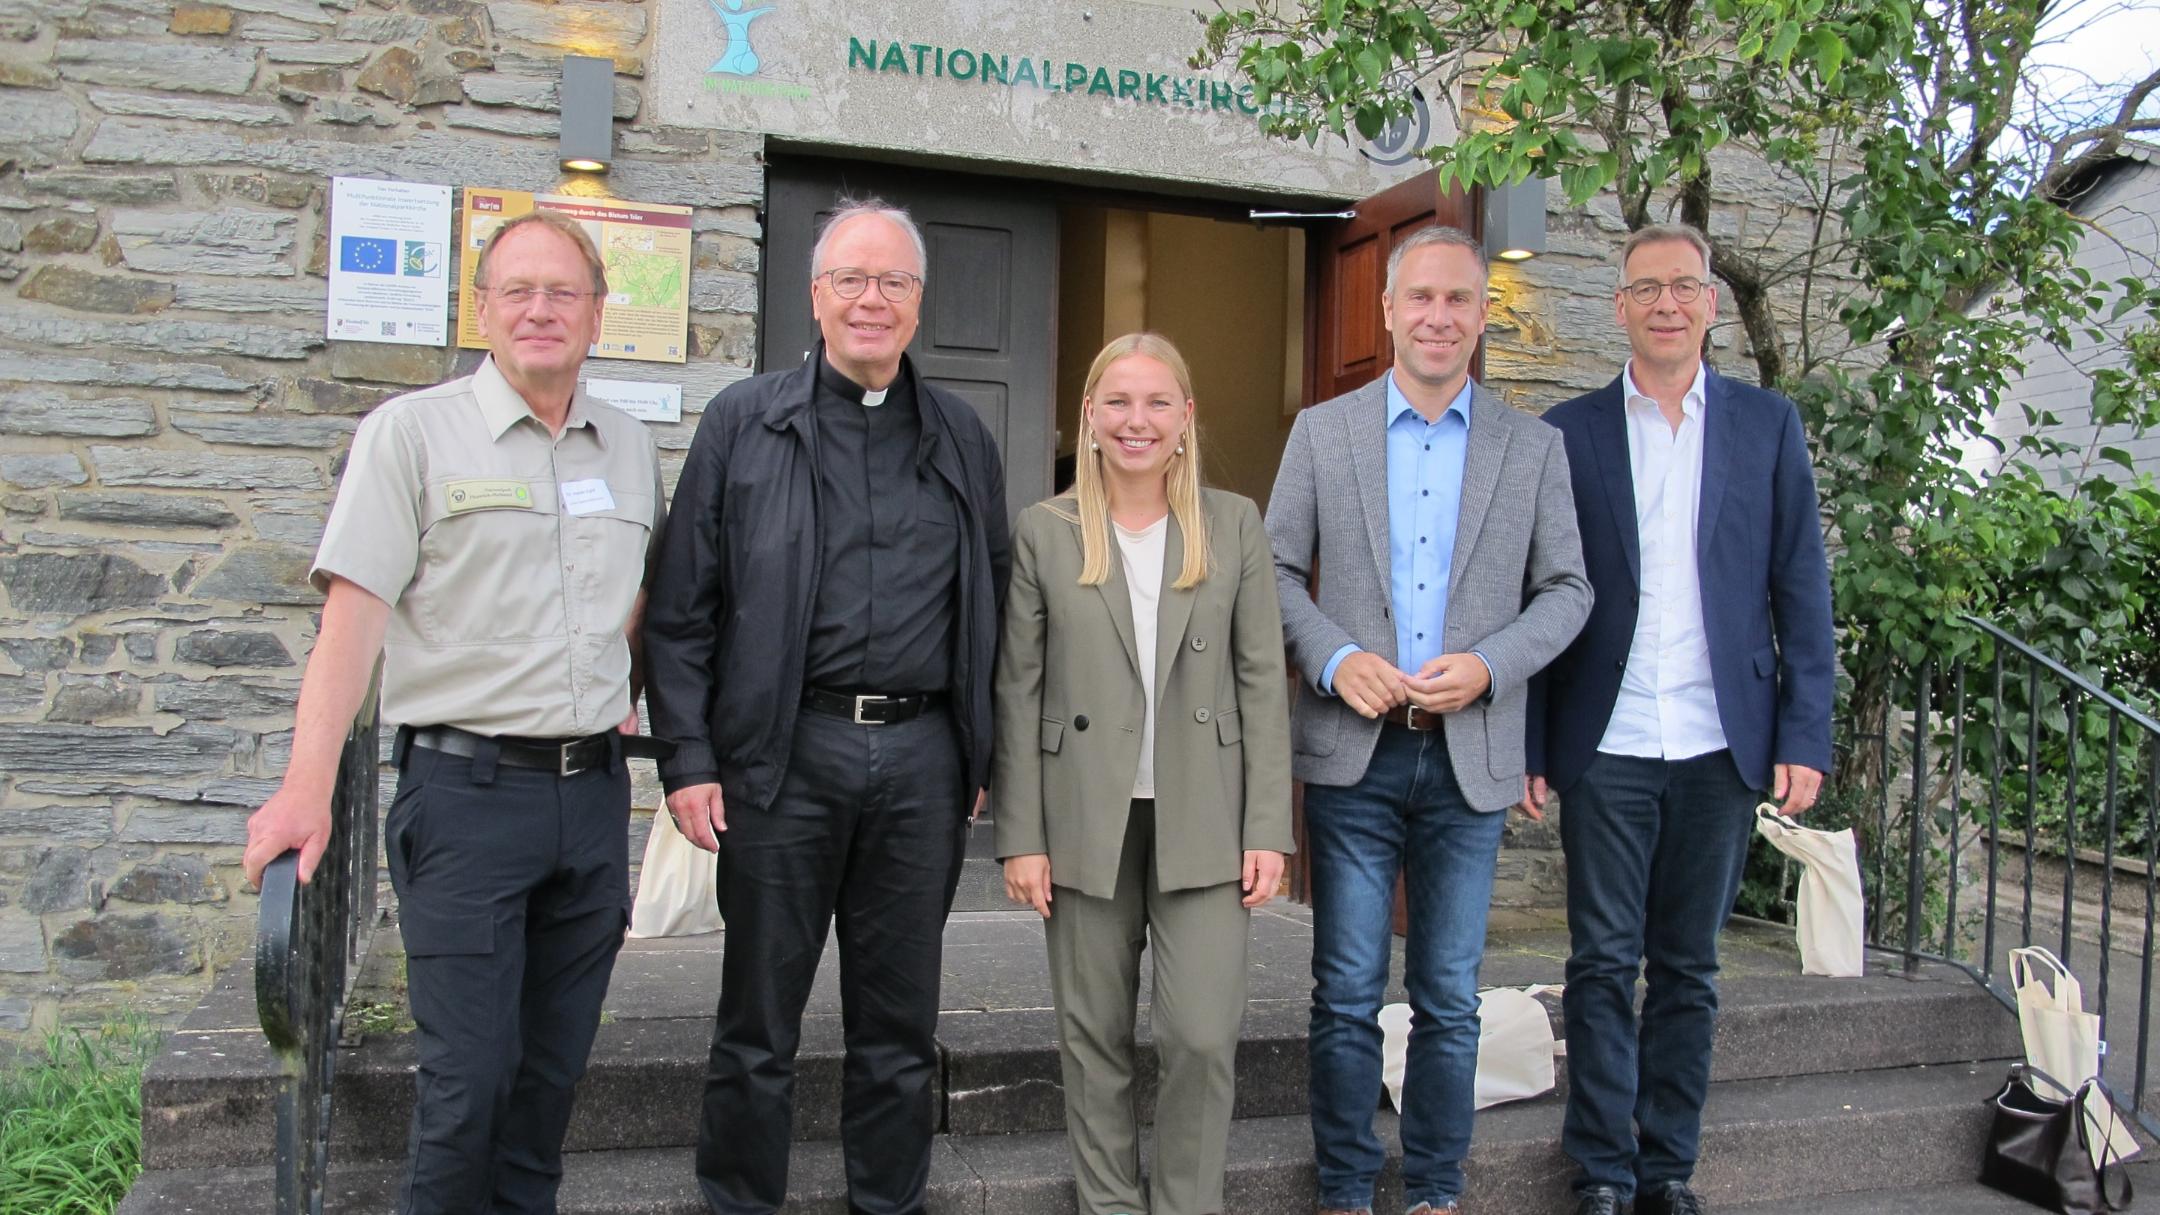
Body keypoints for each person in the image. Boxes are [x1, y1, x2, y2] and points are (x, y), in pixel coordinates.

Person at [241, 209, 666, 1215]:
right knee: (467, 1088)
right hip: (466, 799)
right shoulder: (410, 435)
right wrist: (305, 788)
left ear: (598, 313)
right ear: (481, 310)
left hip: (591, 803)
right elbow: (352, 624)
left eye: (562, 292)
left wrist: (621, 693)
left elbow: (638, 601)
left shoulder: (629, 444)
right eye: (517, 291)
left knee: (548, 1087)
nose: (539, 309)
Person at [642, 198, 1011, 1215]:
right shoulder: (742, 423)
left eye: (893, 281)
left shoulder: (962, 437)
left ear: (919, 302)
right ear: (815, 296)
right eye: (850, 278)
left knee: (898, 1029)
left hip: (922, 762)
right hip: (782, 758)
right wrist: (688, 759)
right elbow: (681, 608)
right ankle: (739, 1202)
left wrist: (982, 755)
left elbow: (995, 600)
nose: (870, 299)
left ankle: (889, 1203)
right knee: (756, 1025)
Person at [1266, 225, 1592, 1215]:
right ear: (1388, 311)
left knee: (1449, 995)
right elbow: (1271, 571)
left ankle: (1437, 1192)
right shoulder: (1323, 432)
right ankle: (1345, 1190)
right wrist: (1336, 658)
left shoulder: (1532, 447)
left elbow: (1569, 589)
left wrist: (1490, 667)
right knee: (1346, 990)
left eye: (1458, 299)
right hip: (1353, 754)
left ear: (1483, 315)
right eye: (1421, 297)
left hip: (1468, 760)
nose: (1439, 316)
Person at [1524, 221, 1834, 1215]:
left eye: (1685, 286)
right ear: (1619, 307)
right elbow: (1540, 594)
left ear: (1710, 305)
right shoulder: (1567, 432)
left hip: (1719, 740)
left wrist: (1804, 733)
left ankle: (1666, 1171)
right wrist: (1532, 741)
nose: (1667, 303)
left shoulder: (1765, 426)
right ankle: (1602, 1170)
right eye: (1647, 288)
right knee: (1601, 964)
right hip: (1606, 739)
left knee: (1690, 969)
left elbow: (1801, 586)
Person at [994, 332, 1294, 1215]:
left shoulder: (1232, 523)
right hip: (1083, 816)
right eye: (1118, 402)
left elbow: (1262, 680)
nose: (1138, 420)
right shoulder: (1046, 531)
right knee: (1093, 1040)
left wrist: (1268, 826)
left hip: (1206, 813)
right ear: (1089, 415)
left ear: (1186, 416)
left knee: (1202, 1034)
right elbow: (1018, 689)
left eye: (1158, 402)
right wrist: (1021, 834)